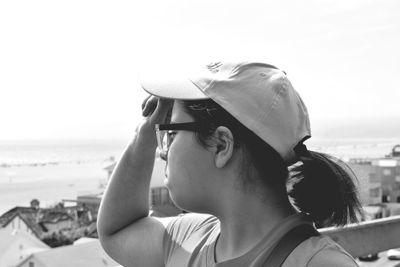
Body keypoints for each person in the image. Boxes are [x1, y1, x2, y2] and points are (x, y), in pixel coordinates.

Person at [97, 61, 363, 266]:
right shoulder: (190, 236)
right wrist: (145, 133)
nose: (163, 152)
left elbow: (116, 231)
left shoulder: (319, 263)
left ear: (221, 144)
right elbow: (116, 230)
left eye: (171, 133)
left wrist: (144, 135)